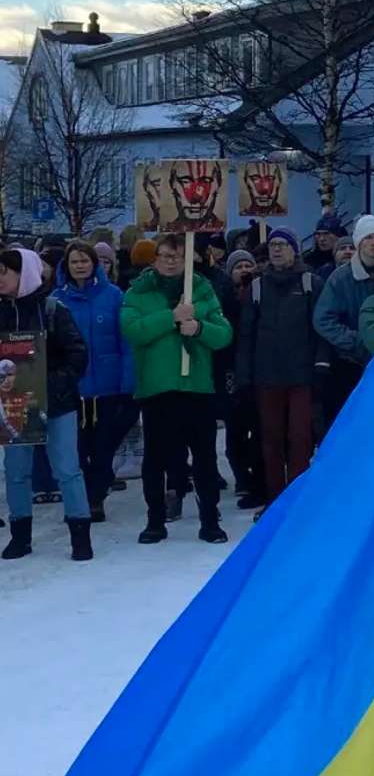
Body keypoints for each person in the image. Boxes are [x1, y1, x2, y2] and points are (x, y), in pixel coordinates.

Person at [120, 233, 233, 544]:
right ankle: (155, 519)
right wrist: (170, 317)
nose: (171, 261)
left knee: (205, 457)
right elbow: (132, 330)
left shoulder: (201, 289)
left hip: (196, 387)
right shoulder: (139, 292)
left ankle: (210, 519)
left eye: (178, 256)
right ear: (155, 259)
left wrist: (198, 328)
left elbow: (223, 334)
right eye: (165, 255)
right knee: (156, 457)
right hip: (158, 387)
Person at [1, 249, 93, 561]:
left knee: (67, 468)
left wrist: (49, 384)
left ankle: (80, 535)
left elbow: (78, 355)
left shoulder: (53, 309)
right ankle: (20, 536)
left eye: (4, 272)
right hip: (14, 404)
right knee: (15, 471)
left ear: (22, 272)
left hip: (57, 404)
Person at [238, 228, 323, 506]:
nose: (277, 250)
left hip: (301, 375)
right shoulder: (258, 287)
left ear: (294, 250)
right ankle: (276, 500)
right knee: (270, 440)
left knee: (300, 439)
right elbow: (246, 335)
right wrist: (244, 376)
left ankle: (298, 498)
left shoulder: (311, 283)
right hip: (267, 376)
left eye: (283, 245)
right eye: (273, 245)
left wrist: (321, 364)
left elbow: (319, 329)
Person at [54, 239, 135, 522]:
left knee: (103, 447)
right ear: (67, 265)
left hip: (108, 385)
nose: (79, 266)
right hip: (73, 387)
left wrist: (127, 378)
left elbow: (126, 341)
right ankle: (83, 497)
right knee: (79, 448)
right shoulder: (56, 300)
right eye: (74, 262)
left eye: (84, 261)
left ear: (94, 264)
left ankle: (96, 497)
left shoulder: (113, 295)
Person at [312, 215, 374, 434]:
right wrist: (355, 340)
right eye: (369, 238)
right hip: (349, 364)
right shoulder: (341, 278)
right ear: (359, 242)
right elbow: (323, 319)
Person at [223, 249, 265, 508]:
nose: (244, 269)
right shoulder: (226, 297)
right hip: (230, 370)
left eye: (248, 264)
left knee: (259, 428)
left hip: (258, 368)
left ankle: (257, 476)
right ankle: (241, 475)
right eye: (238, 266)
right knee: (234, 428)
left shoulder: (261, 294)